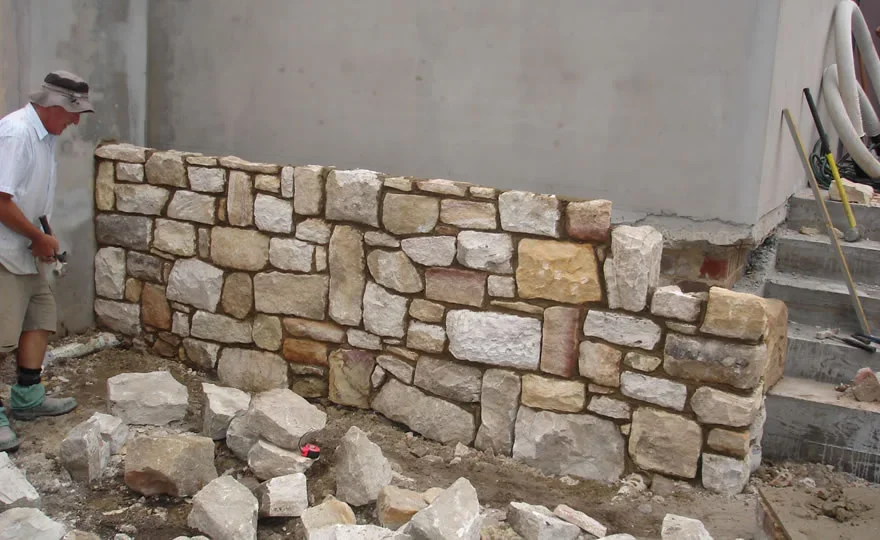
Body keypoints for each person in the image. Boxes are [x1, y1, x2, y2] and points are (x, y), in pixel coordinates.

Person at [0, 70, 95, 452]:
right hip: (5, 251)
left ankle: (28, 399)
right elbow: (1, 200)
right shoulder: (16, 135)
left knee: (39, 318)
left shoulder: (45, 137)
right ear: (55, 104)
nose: (75, 121)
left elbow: (29, 196)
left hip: (27, 248)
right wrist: (38, 237)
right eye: (73, 112)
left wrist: (45, 232)